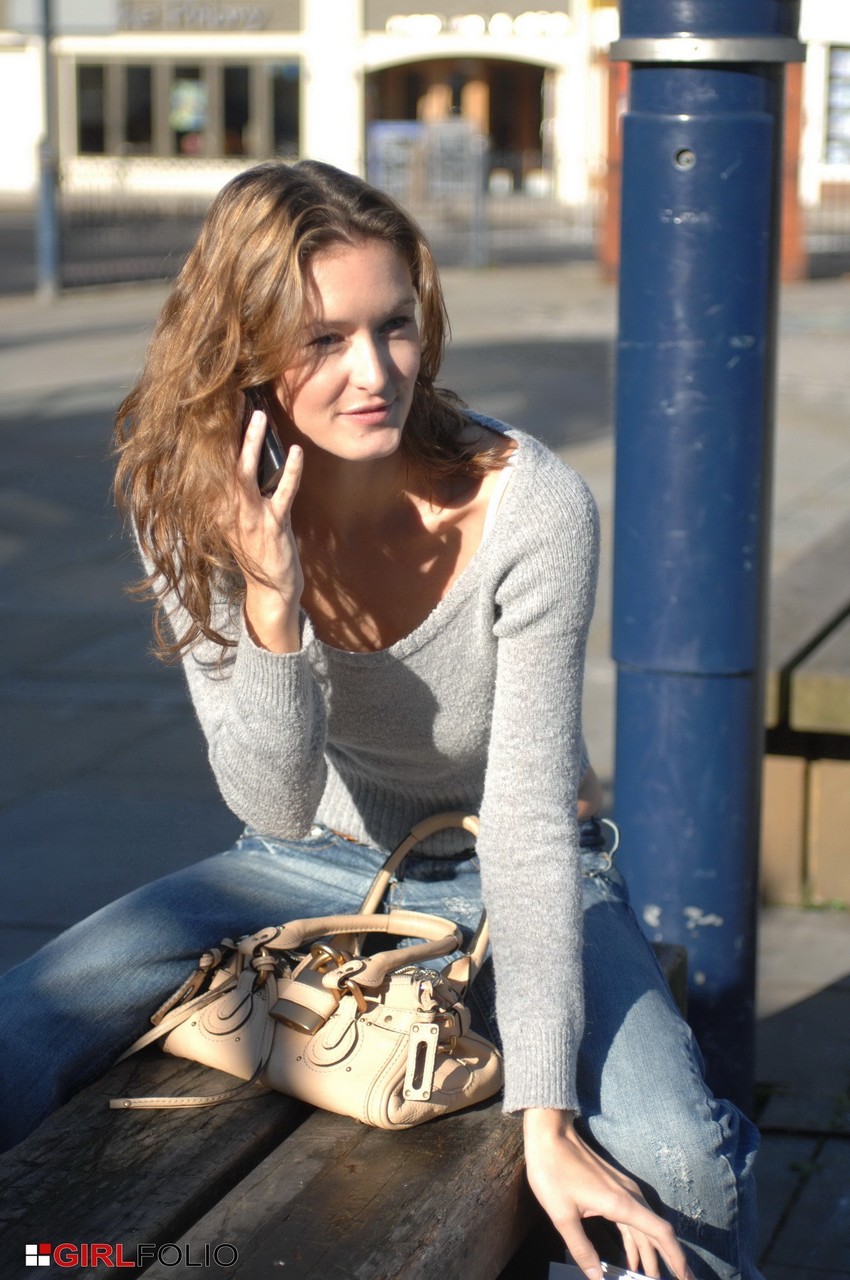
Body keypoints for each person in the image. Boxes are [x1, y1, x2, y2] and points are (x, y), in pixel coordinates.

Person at [0, 160, 761, 1280]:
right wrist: (274, 599)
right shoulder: (189, 500)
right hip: (306, 860)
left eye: (395, 325)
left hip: (518, 863)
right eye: (324, 339)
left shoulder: (530, 506)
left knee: (681, 1163)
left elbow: (531, 819)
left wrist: (546, 1117)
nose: (375, 372)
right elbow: (272, 803)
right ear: (243, 345)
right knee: (21, 1031)